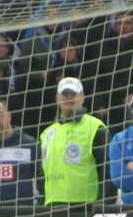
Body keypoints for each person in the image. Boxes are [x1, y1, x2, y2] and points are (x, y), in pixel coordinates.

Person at [38, 75, 106, 204]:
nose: (69, 97)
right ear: (57, 98)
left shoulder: (96, 128)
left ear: (82, 98)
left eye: (73, 94)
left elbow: (106, 171)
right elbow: (41, 175)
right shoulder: (46, 134)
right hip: (52, 206)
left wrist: (102, 206)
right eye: (65, 94)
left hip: (85, 206)